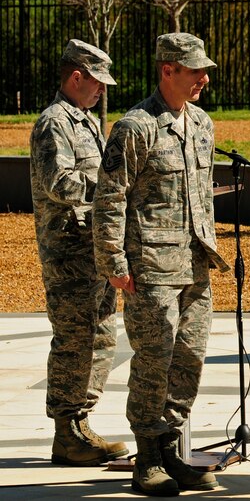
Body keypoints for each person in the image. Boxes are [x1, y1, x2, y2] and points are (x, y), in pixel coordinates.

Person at [94, 32, 227, 497]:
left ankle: (171, 449)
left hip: (195, 264)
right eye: (195, 71)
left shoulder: (203, 124)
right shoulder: (136, 126)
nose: (204, 79)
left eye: (204, 70)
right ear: (167, 70)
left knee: (188, 358)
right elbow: (109, 198)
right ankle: (147, 457)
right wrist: (113, 261)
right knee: (154, 360)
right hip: (150, 267)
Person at [29, 39, 128, 467]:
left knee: (103, 336)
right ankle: (66, 432)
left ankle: (80, 423)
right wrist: (112, 189)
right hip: (68, 251)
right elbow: (59, 182)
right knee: (74, 340)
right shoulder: (55, 122)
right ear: (76, 77)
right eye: (96, 82)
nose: (102, 90)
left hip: (93, 248)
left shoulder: (85, 119)